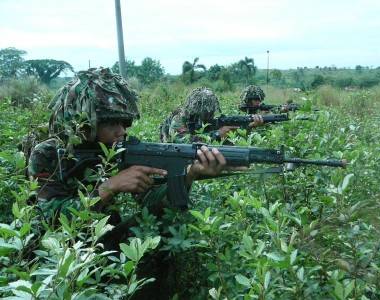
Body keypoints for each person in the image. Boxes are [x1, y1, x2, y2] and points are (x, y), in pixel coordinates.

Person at [28, 68, 230, 223]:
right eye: (112, 124)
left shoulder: (124, 150)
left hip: (115, 246)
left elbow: (152, 204)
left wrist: (189, 174)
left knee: (169, 225)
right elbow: (50, 217)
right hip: (67, 254)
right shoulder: (48, 154)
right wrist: (110, 187)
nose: (122, 131)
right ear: (85, 124)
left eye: (124, 123)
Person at [160, 87, 263, 143]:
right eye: (206, 112)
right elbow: (183, 142)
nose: (210, 114)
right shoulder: (179, 118)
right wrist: (217, 134)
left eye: (211, 111)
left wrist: (248, 127)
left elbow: (232, 139)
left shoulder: (207, 120)